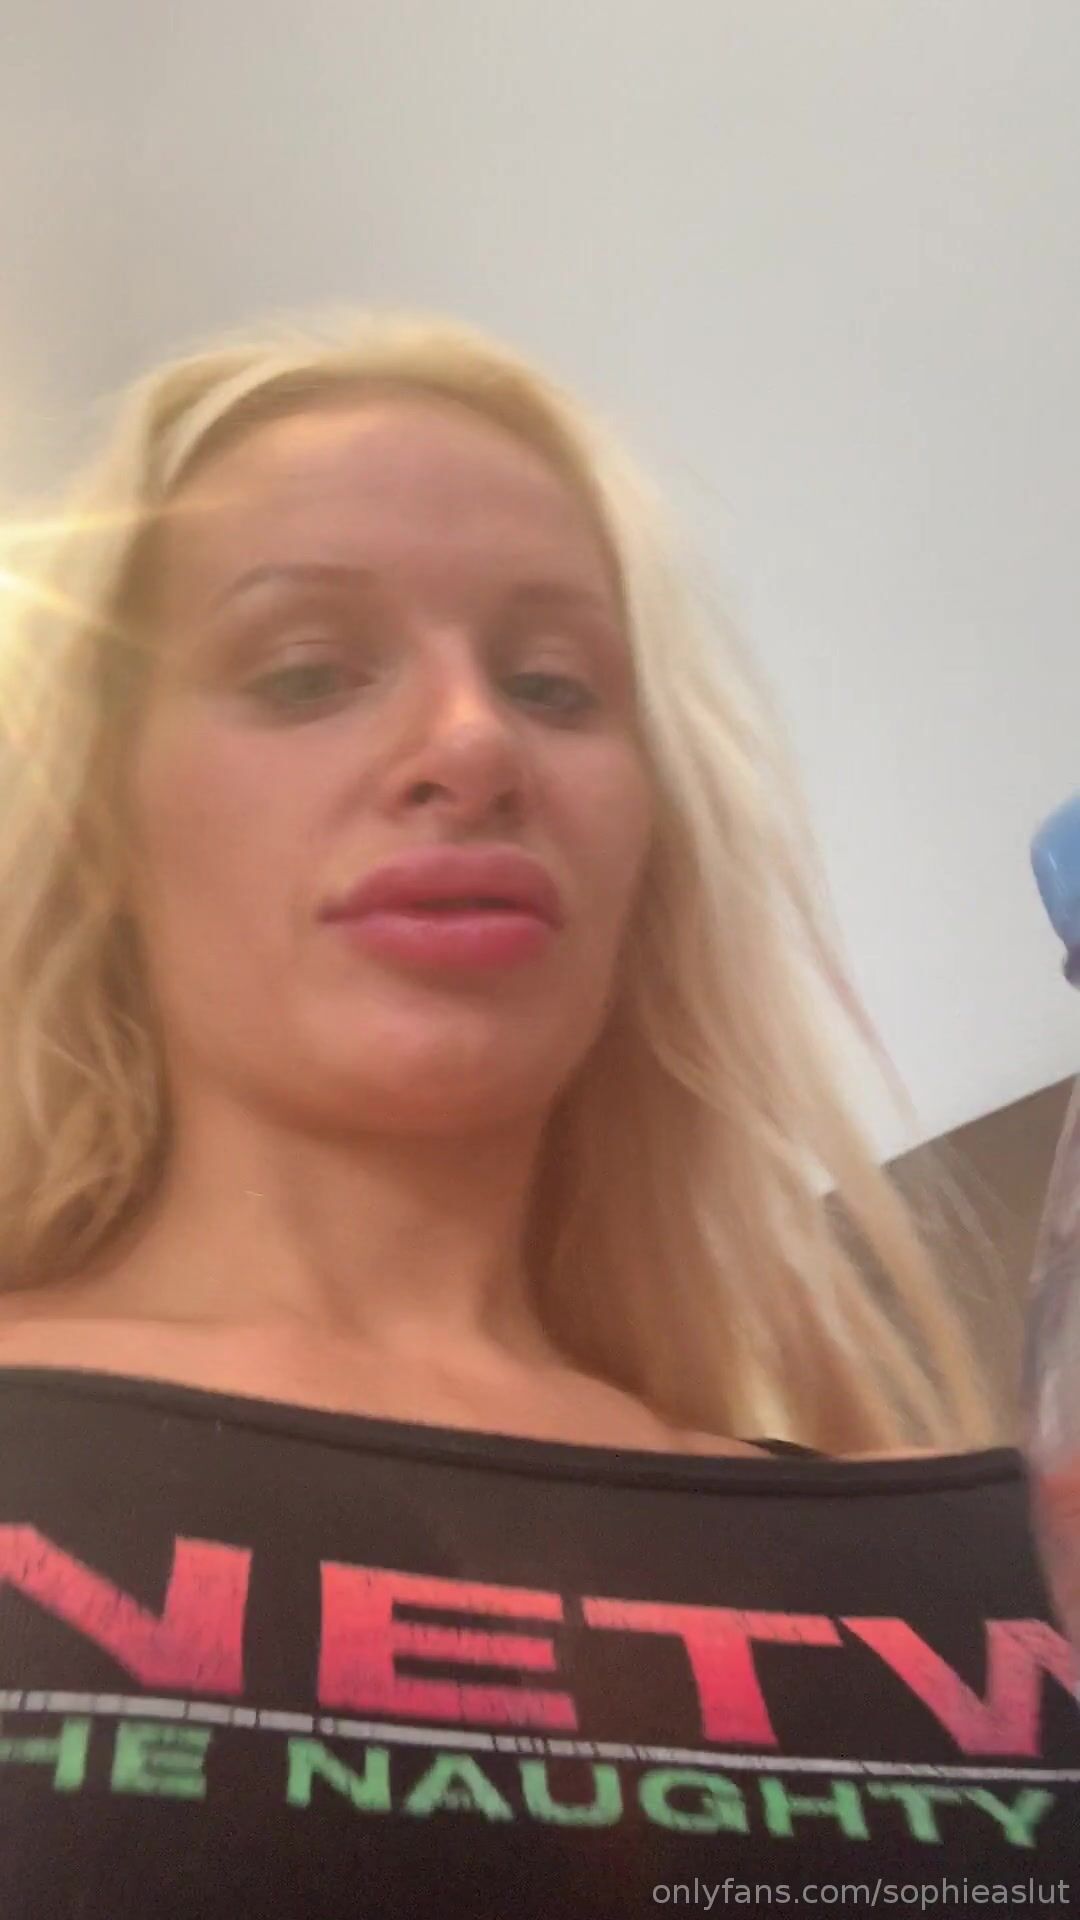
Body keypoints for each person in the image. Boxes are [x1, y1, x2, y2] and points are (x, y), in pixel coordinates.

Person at [0, 306, 1072, 1916]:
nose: (473, 743)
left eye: (557, 686)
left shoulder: (1012, 1567)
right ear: (105, 824)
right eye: (305, 672)